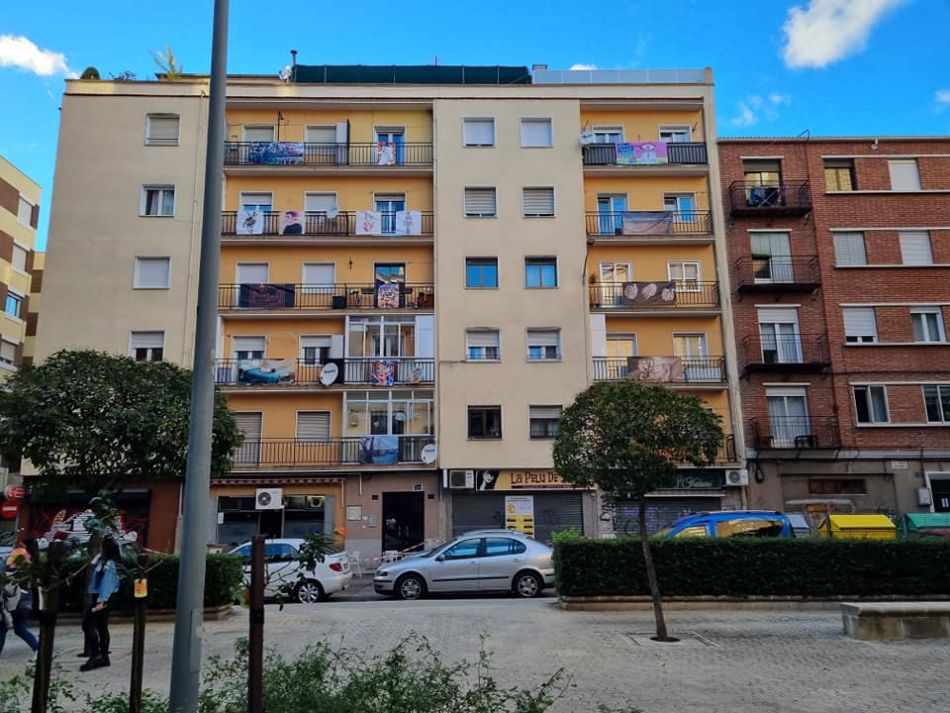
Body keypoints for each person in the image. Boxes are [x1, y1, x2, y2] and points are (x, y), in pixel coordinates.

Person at [80, 538, 120, 671]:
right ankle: (102, 656)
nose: (100, 550)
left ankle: (96, 655)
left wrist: (101, 602)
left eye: (102, 547)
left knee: (87, 624)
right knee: (101, 626)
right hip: (103, 598)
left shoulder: (109, 565)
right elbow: (93, 563)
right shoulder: (103, 562)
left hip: (103, 598)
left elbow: (106, 584)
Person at [0, 547, 39, 660]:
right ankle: (37, 648)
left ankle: (37, 648)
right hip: (23, 604)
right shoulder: (26, 570)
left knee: (3, 628)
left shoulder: (6, 568)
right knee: (19, 629)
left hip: (13, 603)